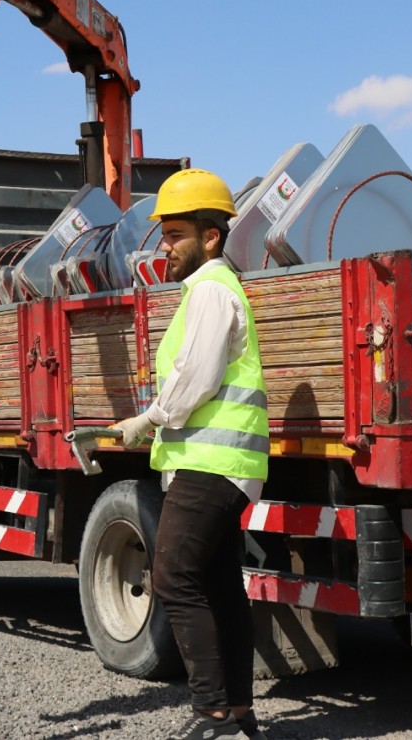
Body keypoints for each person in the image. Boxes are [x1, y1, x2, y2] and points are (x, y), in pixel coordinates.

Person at [110, 169, 270, 740]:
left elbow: (196, 377)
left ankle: (212, 716)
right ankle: (241, 713)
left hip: (213, 463)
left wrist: (147, 419)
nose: (164, 245)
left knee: (174, 577)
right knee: (220, 584)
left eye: (175, 233)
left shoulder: (210, 291)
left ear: (211, 237)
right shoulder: (210, 290)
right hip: (223, 464)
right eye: (164, 233)